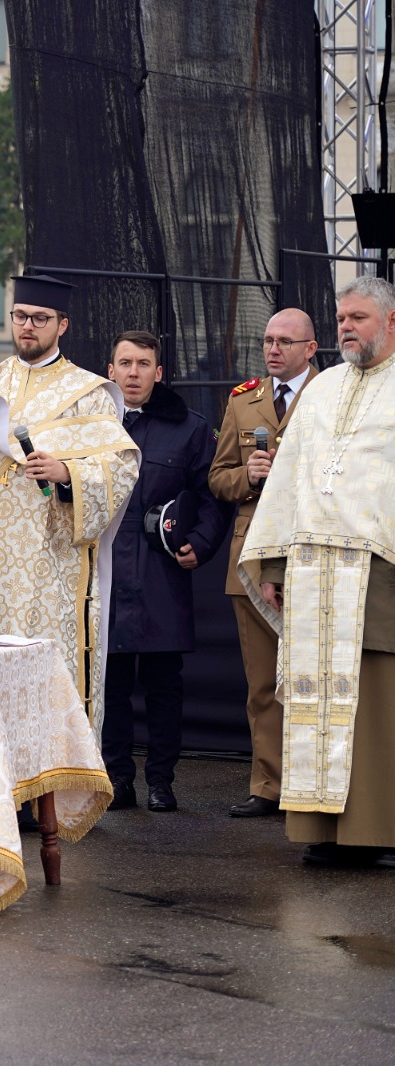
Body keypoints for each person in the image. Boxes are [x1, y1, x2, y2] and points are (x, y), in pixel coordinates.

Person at [0, 274, 140, 730]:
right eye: (20, 317)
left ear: (62, 325)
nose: (27, 326)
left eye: (39, 318)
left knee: (42, 678)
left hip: (51, 559)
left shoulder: (88, 393)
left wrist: (67, 474)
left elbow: (121, 467)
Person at [240, 275, 395, 867]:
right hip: (312, 572)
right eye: (341, 318)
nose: (346, 328)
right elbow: (290, 482)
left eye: (358, 317)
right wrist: (276, 562)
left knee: (375, 702)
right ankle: (322, 831)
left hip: (377, 572)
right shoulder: (324, 388)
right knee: (314, 702)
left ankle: (376, 832)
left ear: (389, 321)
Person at [101, 331, 226, 812]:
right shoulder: (89, 426)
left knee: (163, 683)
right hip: (106, 570)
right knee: (110, 683)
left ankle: (161, 781)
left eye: (143, 364)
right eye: (125, 363)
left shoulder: (190, 429)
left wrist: (202, 542)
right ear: (110, 371)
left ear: (158, 372)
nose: (133, 373)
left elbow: (213, 495)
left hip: (160, 571)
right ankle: (117, 778)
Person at [209, 308, 320, 819]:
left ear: (310, 349)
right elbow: (218, 478)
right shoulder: (243, 399)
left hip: (312, 552)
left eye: (285, 342)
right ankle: (268, 785)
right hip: (252, 558)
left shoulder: (329, 395)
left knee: (315, 678)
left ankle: (312, 784)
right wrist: (248, 477)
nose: (273, 349)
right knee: (262, 684)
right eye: (268, 340)